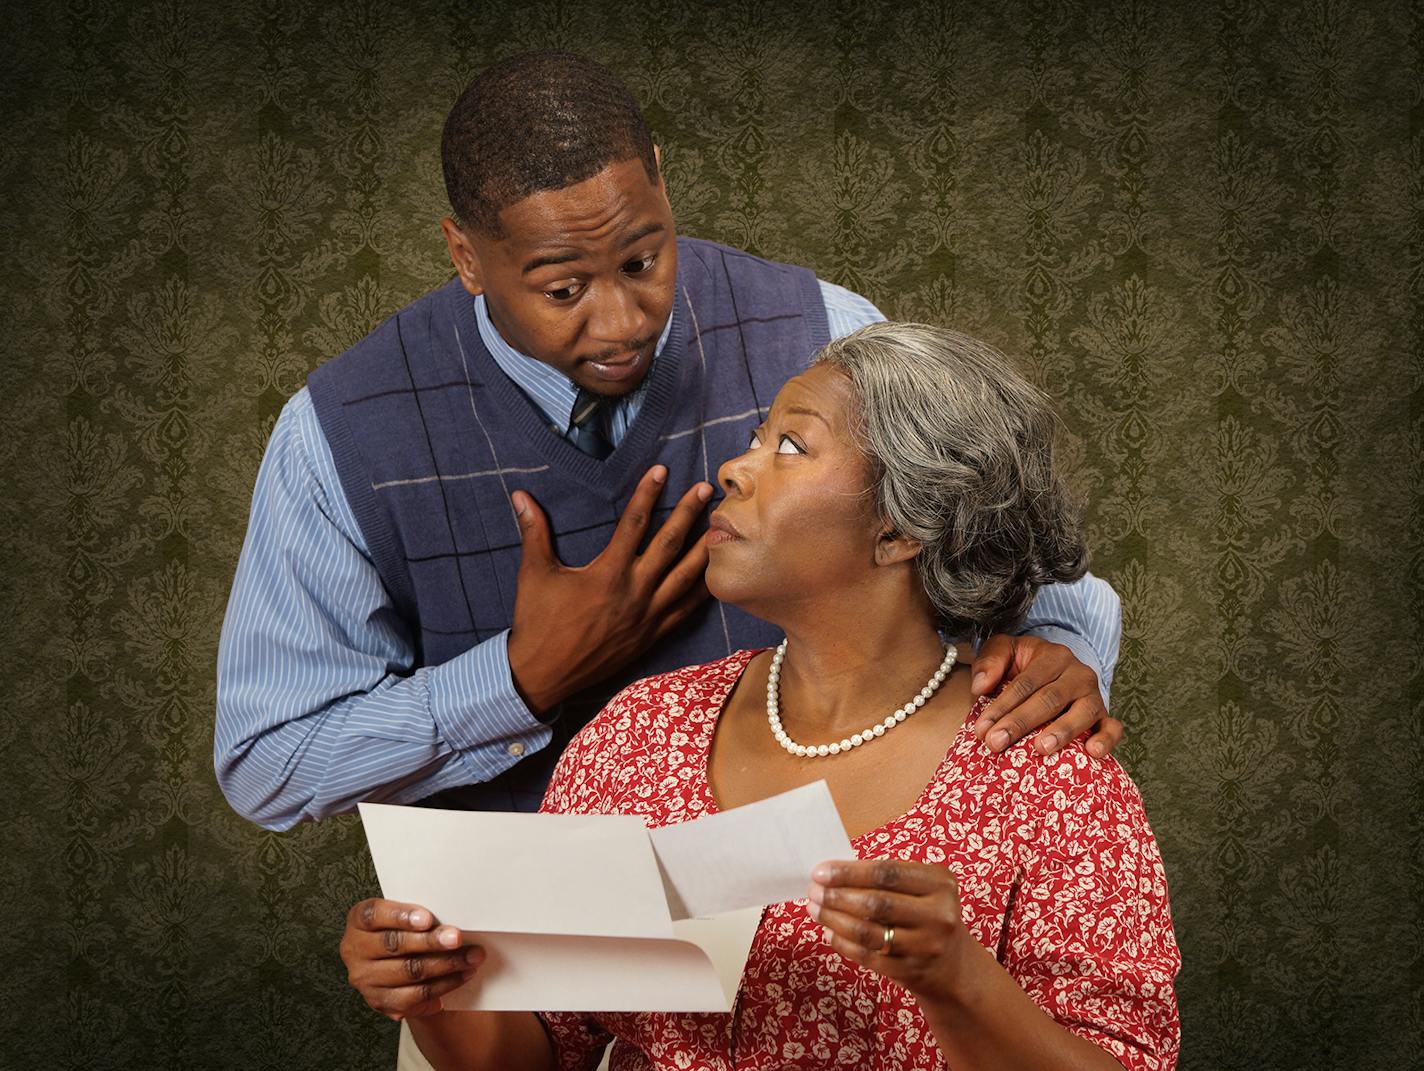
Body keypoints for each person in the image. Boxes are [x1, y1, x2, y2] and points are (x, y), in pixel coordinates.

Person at [215, 51, 1124, 832]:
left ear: (658, 174)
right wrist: (519, 679)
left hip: (811, 953)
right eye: (563, 288)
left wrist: (1054, 654)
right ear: (466, 255)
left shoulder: (818, 331)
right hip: (507, 987)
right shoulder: (338, 430)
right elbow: (267, 762)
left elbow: (1014, 550)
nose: (622, 320)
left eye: (643, 261)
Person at [339, 322, 1180, 1071]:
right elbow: (541, 1051)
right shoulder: (636, 737)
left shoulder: (1053, 782)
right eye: (755, 435)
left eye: (790, 447)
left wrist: (957, 979)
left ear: (900, 528)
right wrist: (430, 990)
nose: (735, 467)